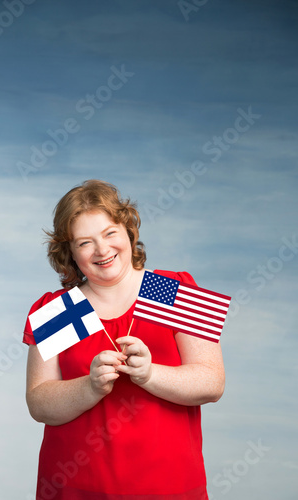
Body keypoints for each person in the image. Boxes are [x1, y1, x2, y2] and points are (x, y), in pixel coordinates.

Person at [23, 179, 225, 500]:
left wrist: (149, 374)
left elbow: (213, 383)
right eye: (85, 242)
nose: (102, 250)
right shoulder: (62, 310)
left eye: (110, 233)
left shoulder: (169, 291)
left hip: (167, 488)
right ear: (70, 253)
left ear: (128, 231)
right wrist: (89, 386)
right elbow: (39, 402)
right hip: (74, 489)